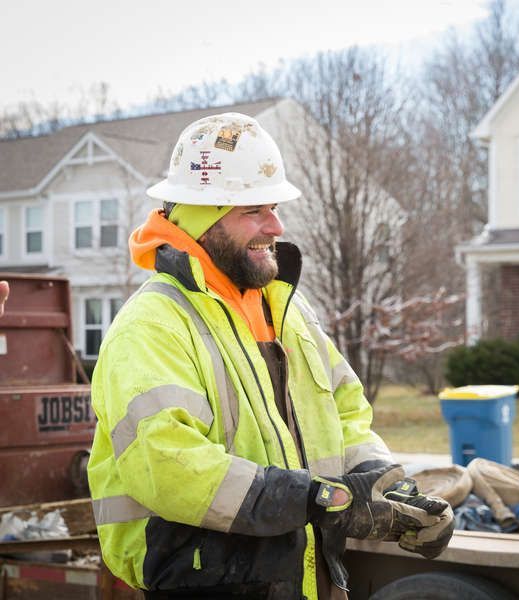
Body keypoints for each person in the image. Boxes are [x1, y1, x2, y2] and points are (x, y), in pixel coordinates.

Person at [87, 112, 453, 600]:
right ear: (204, 217)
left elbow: (346, 415)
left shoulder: (288, 311)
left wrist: (389, 491)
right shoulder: (151, 326)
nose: (276, 225)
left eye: (274, 207)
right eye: (253, 210)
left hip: (306, 577)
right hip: (207, 583)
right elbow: (168, 466)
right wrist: (319, 498)